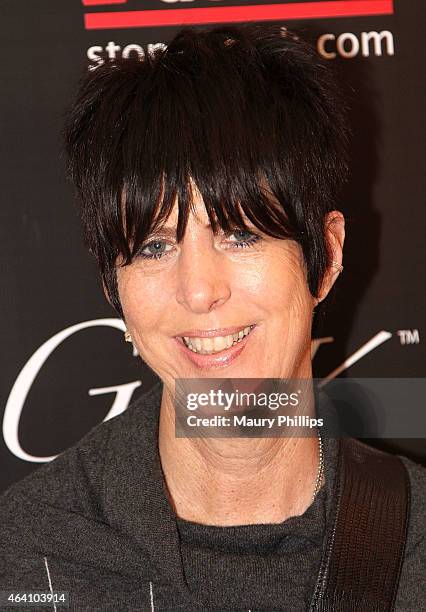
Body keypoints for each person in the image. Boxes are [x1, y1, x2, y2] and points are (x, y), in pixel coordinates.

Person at [0, 24, 425, 611]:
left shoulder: (415, 543)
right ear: (111, 285)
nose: (198, 292)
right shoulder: (26, 551)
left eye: (242, 234)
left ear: (325, 257)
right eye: (153, 247)